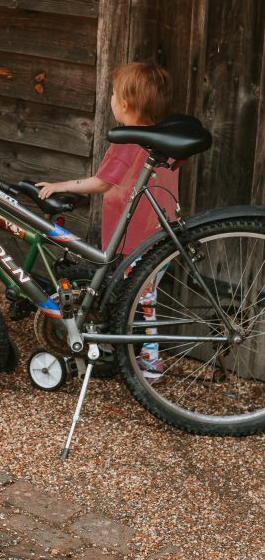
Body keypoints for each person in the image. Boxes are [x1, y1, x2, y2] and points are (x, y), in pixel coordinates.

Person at [36, 62, 178, 378]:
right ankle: (140, 351)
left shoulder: (129, 139)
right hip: (161, 230)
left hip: (138, 235)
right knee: (146, 294)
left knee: (145, 297)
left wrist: (60, 185)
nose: (111, 99)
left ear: (124, 104)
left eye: (113, 94)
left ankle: (151, 359)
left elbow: (102, 183)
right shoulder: (161, 137)